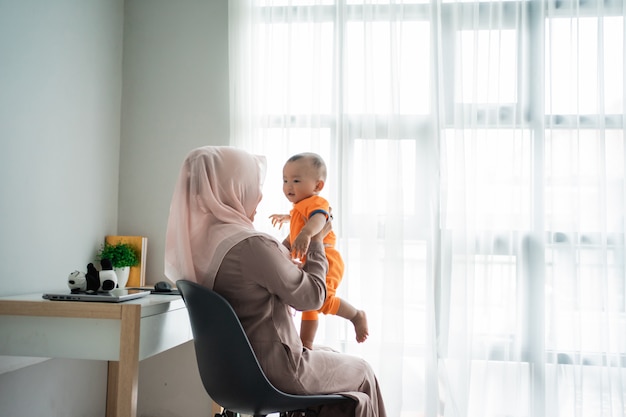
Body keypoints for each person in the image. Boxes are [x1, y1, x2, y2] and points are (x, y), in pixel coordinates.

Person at [165, 146, 387, 417]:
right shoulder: (250, 244)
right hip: (275, 370)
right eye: (252, 185)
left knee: (327, 354)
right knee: (362, 370)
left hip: (230, 374)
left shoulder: (198, 244)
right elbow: (313, 297)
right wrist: (317, 242)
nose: (259, 196)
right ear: (233, 187)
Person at [269, 153, 368, 349]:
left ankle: (356, 315)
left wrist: (306, 234)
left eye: (296, 180)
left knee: (322, 301)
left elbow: (319, 219)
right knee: (309, 304)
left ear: (317, 186)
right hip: (313, 259)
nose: (289, 186)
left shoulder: (316, 203)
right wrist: (283, 246)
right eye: (285, 180)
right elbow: (294, 234)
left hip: (327, 258)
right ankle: (306, 344)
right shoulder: (299, 207)